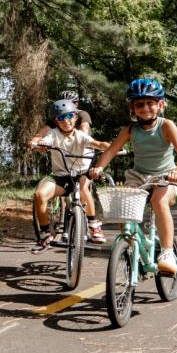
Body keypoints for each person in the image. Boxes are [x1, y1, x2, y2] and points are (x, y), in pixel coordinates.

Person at [88, 76, 177, 274]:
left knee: (158, 202)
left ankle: (168, 252)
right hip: (138, 176)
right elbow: (110, 151)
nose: (145, 108)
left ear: (160, 105)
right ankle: (130, 247)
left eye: (150, 103)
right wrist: (98, 168)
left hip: (165, 176)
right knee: (122, 206)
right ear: (133, 108)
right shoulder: (130, 129)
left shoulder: (166, 126)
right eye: (139, 104)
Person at [27, 98, 110, 252]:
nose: (66, 121)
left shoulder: (81, 135)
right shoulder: (53, 134)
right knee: (39, 194)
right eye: (61, 118)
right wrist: (38, 144)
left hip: (81, 174)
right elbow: (43, 140)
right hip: (61, 177)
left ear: (75, 117)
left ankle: (93, 224)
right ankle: (45, 233)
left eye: (69, 116)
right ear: (56, 121)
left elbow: (98, 144)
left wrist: (112, 148)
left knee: (84, 186)